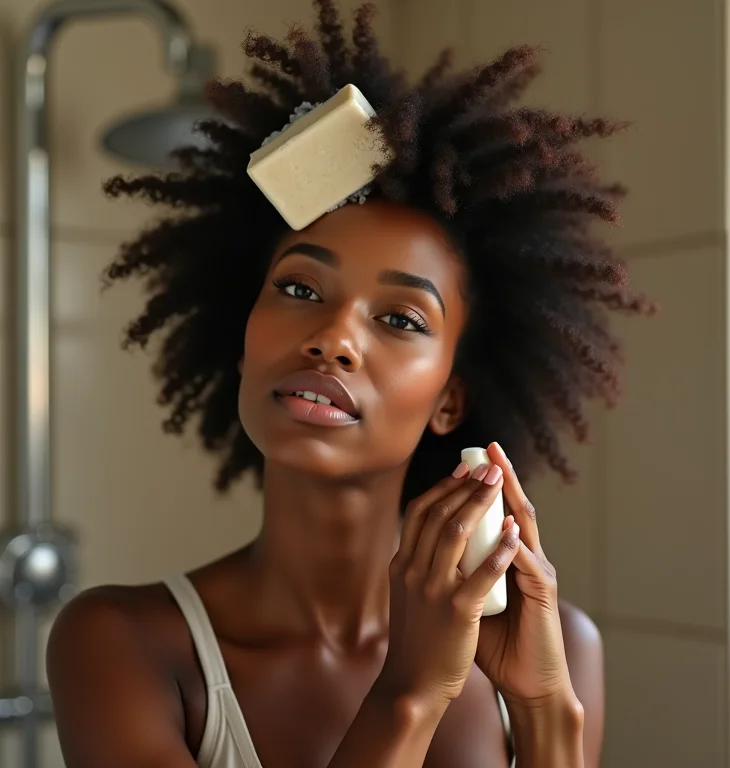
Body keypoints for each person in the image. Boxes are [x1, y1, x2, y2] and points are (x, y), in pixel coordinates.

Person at [46, 2, 654, 766]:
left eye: (400, 319)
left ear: (449, 402)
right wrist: (410, 692)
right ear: (243, 341)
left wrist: (541, 708)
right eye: (300, 291)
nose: (332, 339)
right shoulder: (120, 644)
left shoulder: (556, 647)